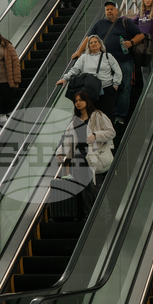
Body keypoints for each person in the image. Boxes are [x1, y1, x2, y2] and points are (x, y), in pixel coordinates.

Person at [71, 1, 146, 125]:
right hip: (104, 64)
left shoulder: (125, 22)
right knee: (104, 90)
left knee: (124, 89)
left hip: (124, 62)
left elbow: (141, 35)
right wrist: (79, 52)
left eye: (111, 9)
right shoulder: (99, 24)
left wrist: (131, 42)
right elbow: (88, 38)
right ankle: (102, 116)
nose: (109, 11)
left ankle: (120, 117)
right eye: (107, 10)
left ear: (117, 11)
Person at [55, 91, 116, 219]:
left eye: (80, 100)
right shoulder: (74, 121)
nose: (78, 103)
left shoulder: (98, 115)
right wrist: (60, 153)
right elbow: (68, 139)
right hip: (79, 156)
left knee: (97, 188)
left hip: (95, 155)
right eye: (76, 101)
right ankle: (88, 216)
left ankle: (105, 216)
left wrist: (96, 135)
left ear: (87, 101)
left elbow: (111, 132)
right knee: (84, 188)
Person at [57, 36, 123, 120]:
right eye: (91, 43)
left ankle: (107, 132)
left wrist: (115, 85)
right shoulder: (84, 57)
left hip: (107, 89)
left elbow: (118, 71)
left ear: (100, 44)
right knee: (91, 115)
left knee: (107, 115)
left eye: (95, 42)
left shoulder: (107, 56)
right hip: (90, 90)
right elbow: (75, 70)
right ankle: (92, 133)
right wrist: (65, 79)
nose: (93, 44)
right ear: (88, 46)